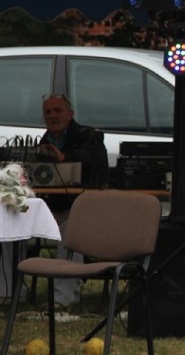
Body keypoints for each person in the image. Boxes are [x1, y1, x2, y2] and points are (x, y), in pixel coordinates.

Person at [39, 93, 109, 307]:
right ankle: (7, 293)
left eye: (57, 110)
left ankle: (64, 299)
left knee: (70, 229)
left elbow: (91, 159)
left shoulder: (89, 136)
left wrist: (64, 157)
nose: (52, 115)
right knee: (10, 223)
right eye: (48, 112)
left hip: (81, 210)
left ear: (70, 114)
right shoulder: (43, 141)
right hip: (50, 208)